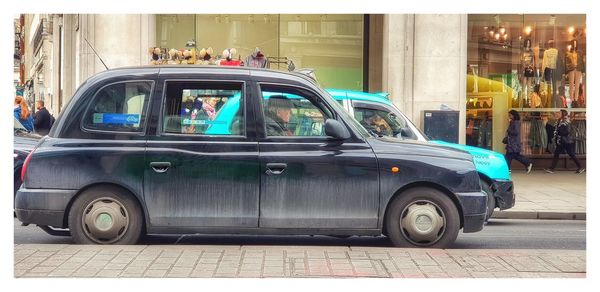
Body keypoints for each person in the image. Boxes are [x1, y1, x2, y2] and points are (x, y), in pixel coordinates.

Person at [544, 109, 585, 174]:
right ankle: (552, 168)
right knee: (556, 154)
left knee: (571, 154)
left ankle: (580, 167)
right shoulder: (559, 121)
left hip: (566, 141)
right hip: (561, 141)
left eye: (559, 113)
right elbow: (556, 129)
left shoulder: (566, 121)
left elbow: (566, 131)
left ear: (563, 114)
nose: (557, 114)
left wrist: (558, 132)